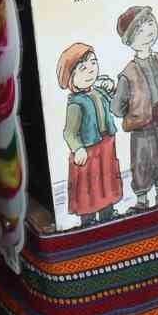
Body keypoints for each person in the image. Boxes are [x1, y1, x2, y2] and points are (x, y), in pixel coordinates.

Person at [112, 5, 158, 212]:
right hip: (144, 126)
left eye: (150, 23)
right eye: (140, 29)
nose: (148, 31)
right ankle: (142, 202)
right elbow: (117, 107)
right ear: (130, 40)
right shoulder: (128, 72)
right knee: (143, 163)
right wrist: (135, 111)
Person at [57, 41, 123, 226]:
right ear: (71, 77)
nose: (90, 70)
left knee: (106, 182)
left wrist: (113, 87)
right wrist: (77, 148)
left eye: (93, 63)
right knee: (89, 187)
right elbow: (69, 132)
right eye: (82, 68)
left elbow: (114, 102)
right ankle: (88, 221)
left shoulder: (99, 92)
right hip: (88, 152)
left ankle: (107, 215)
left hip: (105, 146)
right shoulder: (75, 104)